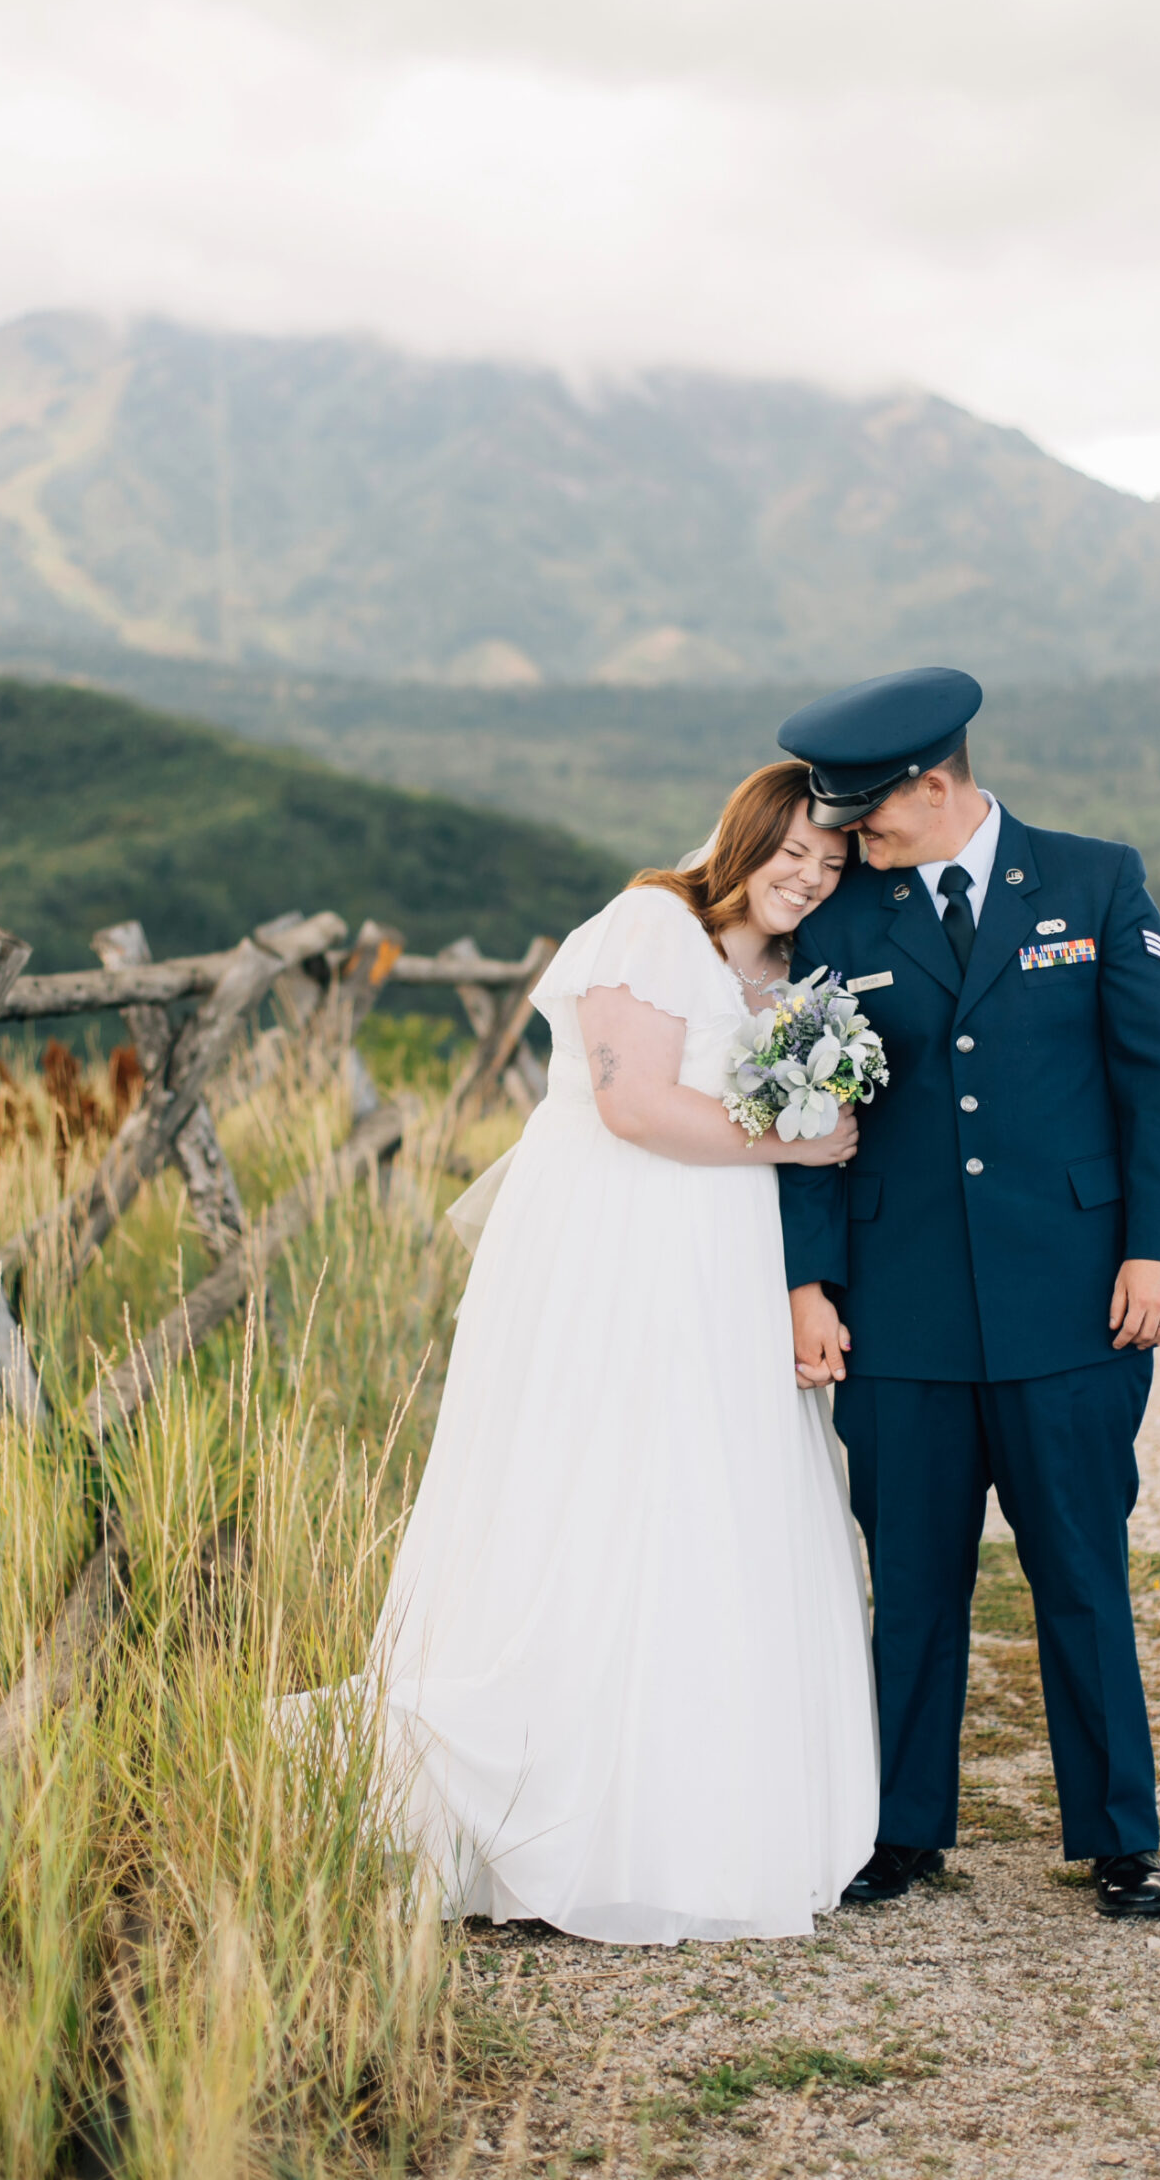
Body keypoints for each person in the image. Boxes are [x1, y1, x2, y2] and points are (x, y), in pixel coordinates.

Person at [369, 761, 878, 1944]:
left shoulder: (795, 979)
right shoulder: (647, 924)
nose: (805, 879)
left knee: (708, 1494)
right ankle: (555, 1790)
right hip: (618, 1248)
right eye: (789, 854)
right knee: (600, 1485)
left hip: (723, 1259)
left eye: (829, 865)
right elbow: (632, 1108)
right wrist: (803, 1147)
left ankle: (692, 1797)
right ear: (740, 839)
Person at [776, 666, 1160, 1921]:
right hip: (897, 1312)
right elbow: (808, 1112)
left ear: (933, 782)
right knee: (909, 1582)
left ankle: (1120, 1835)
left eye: (870, 814)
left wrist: (1157, 1247)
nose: (853, 838)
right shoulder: (840, 924)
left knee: (1079, 1567)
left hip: (1072, 1299)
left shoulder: (1092, 878)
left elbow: (1159, 1080)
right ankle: (898, 1827)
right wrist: (810, 1278)